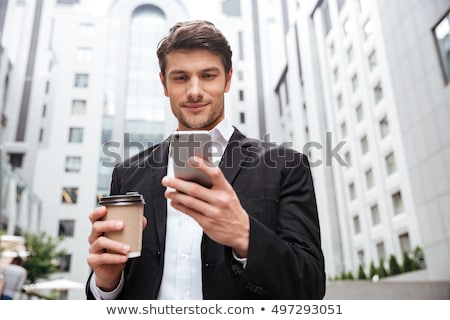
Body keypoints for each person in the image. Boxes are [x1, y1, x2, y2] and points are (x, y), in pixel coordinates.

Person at [86, 20, 325, 300]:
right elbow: (104, 293)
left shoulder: (285, 166)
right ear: (164, 84)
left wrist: (245, 235)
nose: (195, 91)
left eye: (208, 75)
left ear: (228, 78)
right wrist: (105, 282)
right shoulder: (127, 174)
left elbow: (310, 286)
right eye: (181, 77)